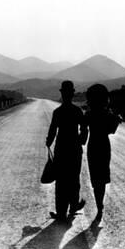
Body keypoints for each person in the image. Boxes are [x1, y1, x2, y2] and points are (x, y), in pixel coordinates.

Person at [46, 81, 88, 221]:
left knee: (61, 181)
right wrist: (82, 140)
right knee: (73, 179)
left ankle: (61, 212)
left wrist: (49, 142)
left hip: (61, 149)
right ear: (72, 94)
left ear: (62, 94)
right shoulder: (77, 111)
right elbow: (84, 128)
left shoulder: (57, 112)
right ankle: (73, 206)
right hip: (75, 149)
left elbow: (53, 130)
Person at [84, 83, 122, 220]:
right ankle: (100, 206)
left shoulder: (89, 114)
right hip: (104, 146)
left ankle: (99, 205)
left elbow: (83, 136)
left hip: (93, 146)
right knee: (102, 177)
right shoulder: (107, 114)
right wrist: (117, 119)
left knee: (95, 179)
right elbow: (111, 130)